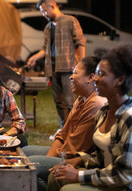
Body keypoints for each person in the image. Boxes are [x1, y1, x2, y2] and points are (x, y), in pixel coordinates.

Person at [48, 44, 132, 190]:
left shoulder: (130, 118)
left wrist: (78, 176)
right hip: (105, 176)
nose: (95, 79)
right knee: (56, 177)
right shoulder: (103, 112)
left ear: (119, 80)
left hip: (121, 186)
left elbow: (125, 175)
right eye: (95, 73)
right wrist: (79, 160)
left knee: (67, 188)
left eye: (101, 74)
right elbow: (102, 158)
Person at [22, 56, 107, 190]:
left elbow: (74, 149)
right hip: (67, 152)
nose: (70, 77)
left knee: (29, 166)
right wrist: (49, 158)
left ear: (90, 78)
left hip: (78, 158)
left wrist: (47, 161)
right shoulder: (81, 98)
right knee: (24, 152)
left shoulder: (96, 103)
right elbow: (64, 133)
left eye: (75, 72)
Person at [27, 0, 86, 129]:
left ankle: (74, 130)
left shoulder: (70, 21)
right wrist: (34, 58)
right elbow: (45, 48)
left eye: (44, 10)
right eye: (42, 11)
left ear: (52, 6)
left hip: (68, 68)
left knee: (71, 102)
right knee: (59, 103)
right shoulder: (48, 27)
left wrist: (81, 65)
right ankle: (63, 129)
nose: (43, 14)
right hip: (53, 70)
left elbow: (80, 42)